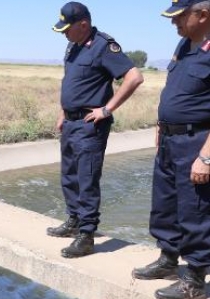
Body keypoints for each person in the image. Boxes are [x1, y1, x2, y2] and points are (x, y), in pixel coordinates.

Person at [48, 2, 144, 258]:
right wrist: (62, 112)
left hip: (90, 125)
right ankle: (74, 221)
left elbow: (134, 77)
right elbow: (71, 83)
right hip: (70, 122)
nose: (64, 34)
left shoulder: (103, 45)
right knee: (69, 176)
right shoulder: (73, 46)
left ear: (83, 24)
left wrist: (107, 109)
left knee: (86, 179)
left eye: (67, 29)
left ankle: (87, 235)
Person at [132, 0, 210, 299]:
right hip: (169, 139)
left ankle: (194, 279)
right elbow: (176, 90)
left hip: (197, 141)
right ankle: (167, 260)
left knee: (196, 210)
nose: (173, 22)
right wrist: (161, 123)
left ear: (202, 14)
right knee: (164, 203)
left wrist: (206, 156)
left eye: (179, 16)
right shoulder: (185, 44)